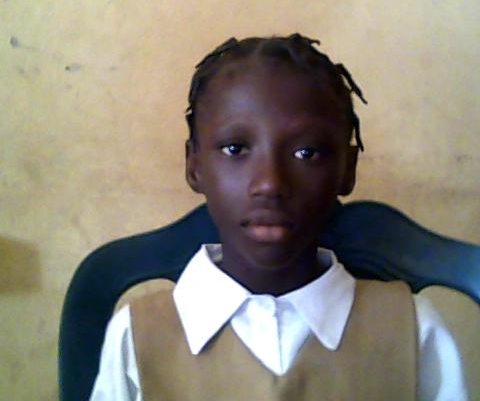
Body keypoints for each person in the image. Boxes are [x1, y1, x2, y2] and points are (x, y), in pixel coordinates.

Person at [90, 34, 467, 400]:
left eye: (307, 153)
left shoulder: (411, 330)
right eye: (235, 148)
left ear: (347, 169)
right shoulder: (138, 337)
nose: (270, 183)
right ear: (194, 165)